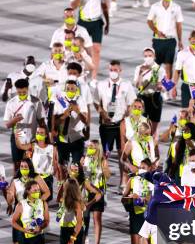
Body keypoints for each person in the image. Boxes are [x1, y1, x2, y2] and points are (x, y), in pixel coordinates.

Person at [94, 60, 135, 188]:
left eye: (115, 70)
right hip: (106, 125)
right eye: (111, 70)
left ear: (120, 71)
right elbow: (96, 102)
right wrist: (102, 114)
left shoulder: (126, 85)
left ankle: (123, 181)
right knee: (105, 153)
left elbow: (131, 104)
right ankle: (101, 179)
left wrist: (126, 118)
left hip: (120, 124)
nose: (113, 72)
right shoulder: (101, 85)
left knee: (122, 153)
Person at [70, 0, 110, 81]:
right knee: (82, 50)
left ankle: (94, 77)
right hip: (83, 23)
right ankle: (82, 73)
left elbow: (104, 6)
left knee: (96, 50)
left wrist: (108, 22)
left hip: (97, 22)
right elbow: (73, 6)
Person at [122, 158, 153, 244]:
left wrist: (142, 199)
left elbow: (154, 199)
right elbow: (123, 198)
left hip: (148, 218)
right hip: (135, 216)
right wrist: (129, 198)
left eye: (144, 167)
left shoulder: (153, 182)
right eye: (140, 167)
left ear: (150, 169)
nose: (141, 169)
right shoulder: (132, 180)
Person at [3, 78, 46, 172]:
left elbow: (42, 121)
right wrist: (14, 120)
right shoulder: (11, 103)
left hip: (32, 138)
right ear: (16, 90)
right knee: (17, 164)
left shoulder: (36, 101)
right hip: (17, 137)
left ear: (27, 88)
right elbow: (7, 125)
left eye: (24, 92)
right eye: (19, 92)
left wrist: (46, 138)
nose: (22, 94)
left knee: (31, 165)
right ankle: (16, 185)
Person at [147, 0, 184, 80]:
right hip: (158, 40)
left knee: (169, 66)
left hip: (170, 40)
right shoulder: (155, 7)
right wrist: (156, 31)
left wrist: (180, 40)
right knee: (156, 66)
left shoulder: (176, 7)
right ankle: (155, 88)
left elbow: (179, 25)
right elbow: (149, 21)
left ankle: (167, 90)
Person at [81, 140, 110, 244]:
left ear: (97, 148)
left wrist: (105, 168)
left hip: (99, 191)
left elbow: (107, 176)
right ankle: (85, 238)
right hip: (87, 192)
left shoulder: (102, 160)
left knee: (97, 218)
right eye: (88, 146)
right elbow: (81, 175)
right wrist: (81, 165)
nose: (89, 148)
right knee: (85, 218)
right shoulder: (85, 159)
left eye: (91, 146)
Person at [52, 80, 88, 171]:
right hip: (62, 138)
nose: (70, 91)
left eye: (72, 89)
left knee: (77, 167)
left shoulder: (81, 100)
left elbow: (85, 120)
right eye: (68, 89)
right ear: (65, 89)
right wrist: (64, 115)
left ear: (76, 90)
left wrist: (78, 111)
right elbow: (54, 123)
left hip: (77, 138)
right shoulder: (59, 100)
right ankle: (64, 184)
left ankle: (77, 184)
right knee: (62, 167)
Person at [134, 47, 166, 134]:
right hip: (143, 98)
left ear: (154, 56)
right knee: (142, 124)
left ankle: (152, 144)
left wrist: (160, 87)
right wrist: (141, 73)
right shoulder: (139, 68)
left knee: (154, 125)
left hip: (155, 98)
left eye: (150, 55)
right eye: (146, 56)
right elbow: (137, 85)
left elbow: (163, 86)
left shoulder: (160, 69)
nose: (148, 58)